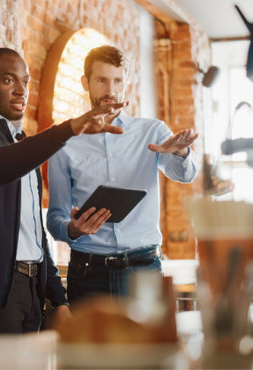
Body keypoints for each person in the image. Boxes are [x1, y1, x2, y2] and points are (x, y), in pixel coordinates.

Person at [0, 48, 128, 333]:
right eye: (8, 81)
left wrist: (58, 297)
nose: (21, 90)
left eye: (25, 82)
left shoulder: (20, 142)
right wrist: (68, 129)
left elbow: (33, 232)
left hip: (30, 291)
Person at [47, 45, 198, 304]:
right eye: (102, 80)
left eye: (117, 80)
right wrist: (72, 229)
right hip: (88, 274)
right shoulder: (65, 141)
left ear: (125, 82)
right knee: (87, 346)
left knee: (148, 346)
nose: (111, 90)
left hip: (143, 270)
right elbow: (55, 218)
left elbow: (186, 175)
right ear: (85, 83)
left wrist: (181, 153)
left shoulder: (152, 131)